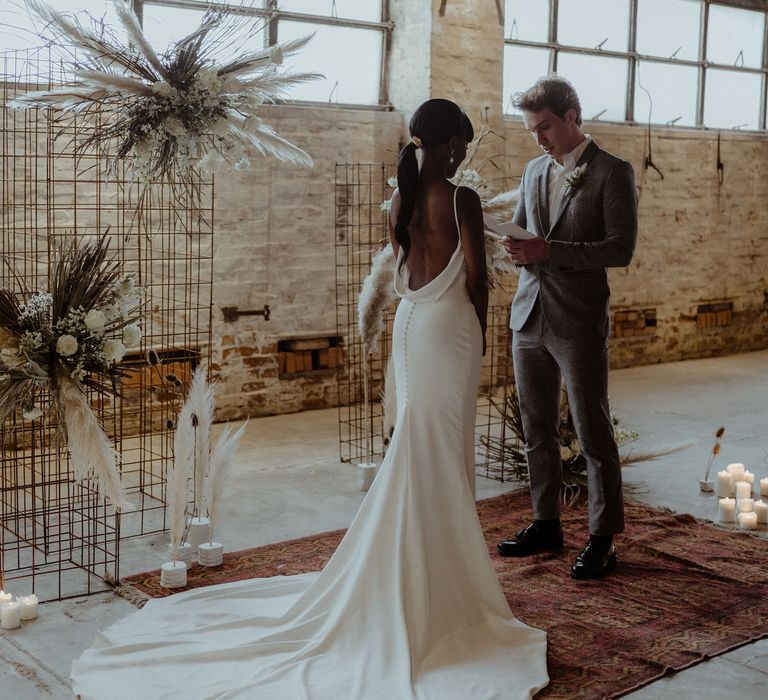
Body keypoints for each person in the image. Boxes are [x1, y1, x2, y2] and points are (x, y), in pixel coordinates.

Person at [71, 99, 549, 700]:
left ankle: (419, 566)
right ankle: (437, 579)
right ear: (445, 141)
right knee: (439, 446)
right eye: (461, 142)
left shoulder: (399, 201)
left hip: (409, 326)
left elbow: (404, 269)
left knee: (416, 443)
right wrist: (479, 334)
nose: (462, 154)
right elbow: (476, 279)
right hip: (447, 328)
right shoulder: (462, 200)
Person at [496, 77, 638, 580]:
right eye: (533, 129)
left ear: (572, 115)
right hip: (529, 315)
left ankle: (603, 540)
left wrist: (549, 251)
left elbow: (620, 249)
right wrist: (514, 248)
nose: (539, 138)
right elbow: (522, 233)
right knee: (536, 429)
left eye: (546, 126)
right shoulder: (534, 170)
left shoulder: (612, 172)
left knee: (591, 429)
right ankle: (546, 523)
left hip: (578, 320)